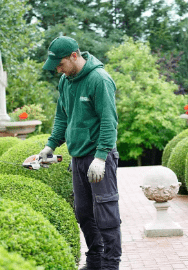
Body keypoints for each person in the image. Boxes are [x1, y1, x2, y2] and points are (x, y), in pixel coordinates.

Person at [36, 36, 122, 270]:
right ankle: (94, 261)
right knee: (84, 213)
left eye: (60, 64)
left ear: (74, 56)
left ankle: (111, 265)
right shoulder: (66, 81)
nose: (58, 70)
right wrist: (50, 145)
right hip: (79, 158)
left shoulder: (99, 79)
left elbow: (108, 121)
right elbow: (63, 117)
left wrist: (101, 156)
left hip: (99, 158)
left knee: (106, 213)